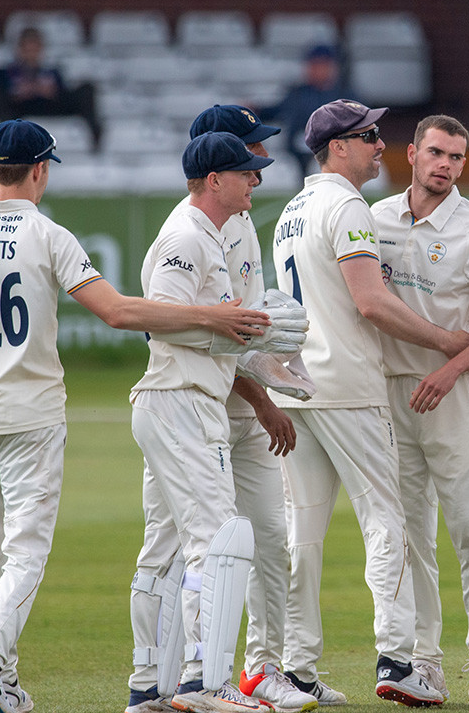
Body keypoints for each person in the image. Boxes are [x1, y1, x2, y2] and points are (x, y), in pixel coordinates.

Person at [0, 119, 270, 713]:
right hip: (33, 411)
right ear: (41, 169)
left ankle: (4, 675)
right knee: (25, 551)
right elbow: (120, 314)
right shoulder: (49, 235)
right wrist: (212, 315)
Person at [271, 99, 469, 707]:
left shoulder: (292, 208)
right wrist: (445, 341)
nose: (382, 146)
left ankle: (298, 666)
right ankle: (396, 658)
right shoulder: (347, 205)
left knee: (302, 533)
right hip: (350, 389)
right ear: (338, 147)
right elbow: (371, 302)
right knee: (388, 522)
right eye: (369, 136)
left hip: (299, 385)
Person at [124, 108, 318, 713]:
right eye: (246, 171)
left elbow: (210, 326)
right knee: (217, 543)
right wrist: (235, 324)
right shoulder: (185, 236)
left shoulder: (212, 232)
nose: (255, 181)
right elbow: (160, 322)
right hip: (181, 399)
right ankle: (202, 684)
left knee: (169, 549)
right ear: (215, 179)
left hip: (189, 399)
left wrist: (260, 346)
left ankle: (147, 688)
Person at [369, 114, 469, 705]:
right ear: (411, 153)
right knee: (409, 537)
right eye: (436, 153)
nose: (446, 166)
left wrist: (450, 369)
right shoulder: (374, 220)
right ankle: (424, 662)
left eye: (456, 158)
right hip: (391, 392)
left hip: (456, 393)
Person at [0, 27, 103, 151]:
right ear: (19, 49)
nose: (31, 54)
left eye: (34, 49)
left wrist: (49, 91)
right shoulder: (5, 73)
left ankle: (95, 135)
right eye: (27, 49)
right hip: (19, 109)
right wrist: (18, 92)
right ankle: (9, 134)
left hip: (48, 106)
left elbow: (62, 94)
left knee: (87, 89)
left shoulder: (52, 72)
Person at [261, 45, 357, 174]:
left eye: (322, 65)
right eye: (314, 65)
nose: (317, 69)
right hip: (297, 151)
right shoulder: (297, 93)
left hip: (332, 150)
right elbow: (276, 111)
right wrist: (255, 110)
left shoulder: (345, 95)